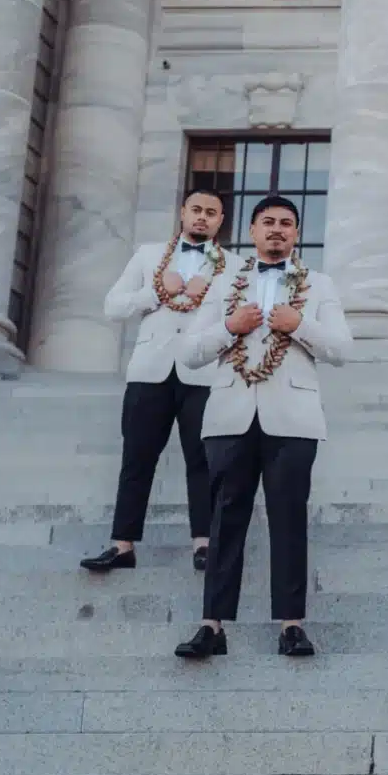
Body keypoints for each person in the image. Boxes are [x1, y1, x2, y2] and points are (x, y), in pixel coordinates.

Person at [173, 195, 352, 659]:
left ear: (296, 234)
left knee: (289, 519)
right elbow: (189, 353)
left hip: (293, 419)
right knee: (224, 520)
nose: (277, 229)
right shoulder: (221, 284)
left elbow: (340, 349)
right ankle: (212, 624)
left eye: (286, 224)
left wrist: (300, 325)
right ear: (251, 231)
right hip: (230, 416)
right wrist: (230, 327)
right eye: (268, 222)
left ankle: (291, 624)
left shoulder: (320, 284)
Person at [81, 189, 239, 573]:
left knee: (203, 460)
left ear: (221, 221)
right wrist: (156, 291)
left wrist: (209, 298)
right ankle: (122, 545)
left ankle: (204, 542)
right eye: (196, 210)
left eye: (211, 213)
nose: (202, 217)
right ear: (183, 212)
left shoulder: (235, 268)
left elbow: (240, 324)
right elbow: (113, 306)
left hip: (202, 374)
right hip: (149, 371)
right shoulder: (149, 256)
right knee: (137, 457)